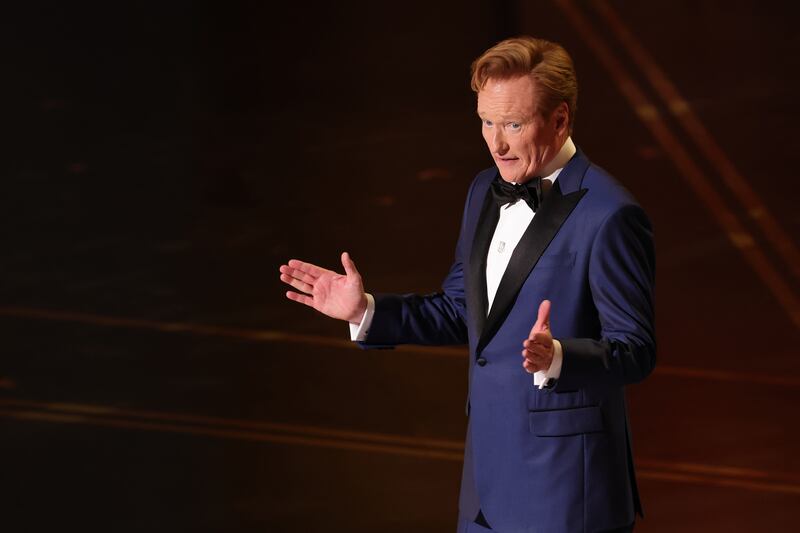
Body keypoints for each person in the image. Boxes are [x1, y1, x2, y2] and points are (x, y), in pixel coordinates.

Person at [279, 36, 655, 533]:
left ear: (560, 119)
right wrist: (365, 312)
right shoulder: (483, 190)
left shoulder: (610, 215)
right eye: (486, 122)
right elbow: (461, 310)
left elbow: (636, 349)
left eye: (514, 125)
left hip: (566, 495)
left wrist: (559, 356)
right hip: (485, 491)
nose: (495, 143)